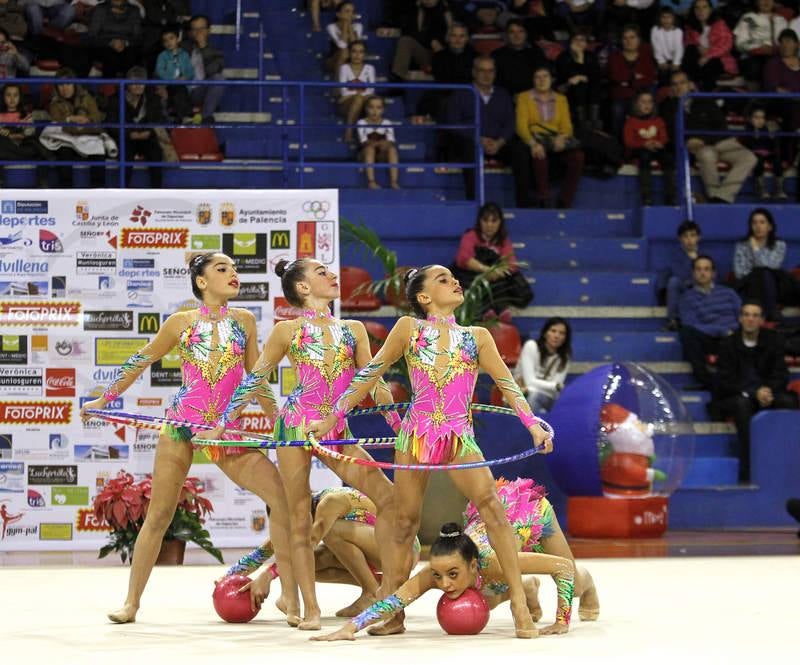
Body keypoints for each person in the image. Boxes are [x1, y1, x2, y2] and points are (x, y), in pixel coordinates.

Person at [308, 265, 554, 638]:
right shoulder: (409, 329)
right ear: (423, 298)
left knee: (492, 508)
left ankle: (519, 601)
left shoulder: (477, 337)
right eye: (442, 279)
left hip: (457, 436)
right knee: (404, 523)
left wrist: (533, 424)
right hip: (417, 436)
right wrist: (330, 420)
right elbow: (370, 373)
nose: (455, 282)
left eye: (454, 278)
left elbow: (506, 382)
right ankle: (392, 611)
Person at [79, 252, 300, 625]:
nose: (233, 273)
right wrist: (105, 397)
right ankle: (131, 603)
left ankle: (290, 599)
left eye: (234, 268)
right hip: (182, 424)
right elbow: (141, 359)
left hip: (224, 429)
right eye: (222, 269)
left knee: (280, 500)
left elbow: (256, 376)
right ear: (201, 281)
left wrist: (275, 420)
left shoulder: (243, 321)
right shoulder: (181, 323)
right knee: (159, 514)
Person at [207, 258, 401, 631]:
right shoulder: (287, 331)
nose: (331, 275)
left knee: (389, 498)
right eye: (322, 273)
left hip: (335, 429)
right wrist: (222, 423)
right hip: (295, 427)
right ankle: (310, 609)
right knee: (298, 517)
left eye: (330, 271)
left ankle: (385, 596)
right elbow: (255, 379)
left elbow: (373, 383)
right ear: (303, 287)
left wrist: (396, 424)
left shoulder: (353, 329)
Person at [311, 477, 599, 641]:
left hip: (528, 511)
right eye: (438, 575)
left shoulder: (493, 563)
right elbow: (393, 599)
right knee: (488, 597)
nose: (444, 584)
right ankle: (526, 585)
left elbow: (561, 569)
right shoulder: (438, 571)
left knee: (571, 574)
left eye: (452, 574)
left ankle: (589, 591)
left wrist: (562, 620)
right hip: (488, 528)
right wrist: (350, 628)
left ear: (472, 566)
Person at [222, 486, 422, 618]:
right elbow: (263, 552)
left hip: (403, 549)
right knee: (312, 566)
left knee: (330, 534)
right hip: (377, 549)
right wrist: (227, 579)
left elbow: (308, 544)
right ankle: (380, 585)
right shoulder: (303, 515)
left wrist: (268, 575)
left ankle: (371, 593)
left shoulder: (330, 502)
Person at [708, 301, 799, 482]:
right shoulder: (727, 344)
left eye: (755, 315)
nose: (750, 319)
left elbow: (781, 374)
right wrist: (753, 392)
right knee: (742, 406)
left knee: (789, 402)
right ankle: (748, 471)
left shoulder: (773, 341)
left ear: (762, 320)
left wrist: (767, 390)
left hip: (766, 393)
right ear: (740, 319)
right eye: (747, 315)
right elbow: (725, 381)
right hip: (737, 395)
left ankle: (790, 466)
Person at [663, 70, 757, 204]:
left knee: (749, 157)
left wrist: (704, 139)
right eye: (675, 84)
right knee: (707, 155)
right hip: (698, 146)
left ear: (690, 84)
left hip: (720, 141)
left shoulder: (705, 100)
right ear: (671, 88)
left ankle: (721, 198)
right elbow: (671, 132)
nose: (679, 87)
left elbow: (721, 125)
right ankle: (715, 196)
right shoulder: (668, 107)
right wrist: (687, 141)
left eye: (682, 83)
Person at [512, 65, 585, 209]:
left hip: (555, 138)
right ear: (533, 80)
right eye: (537, 77)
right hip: (536, 137)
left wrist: (562, 138)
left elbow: (567, 126)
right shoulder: (524, 97)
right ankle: (543, 198)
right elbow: (521, 126)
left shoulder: (561, 99)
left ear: (552, 80)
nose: (541, 80)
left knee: (578, 157)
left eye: (545, 76)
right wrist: (533, 143)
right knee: (540, 153)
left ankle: (565, 201)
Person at [444, 55, 515, 200]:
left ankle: (525, 204)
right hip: (471, 143)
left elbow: (510, 123)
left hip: (498, 144)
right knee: (470, 149)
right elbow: (452, 123)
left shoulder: (503, 94)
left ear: (495, 73)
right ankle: (473, 201)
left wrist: (499, 142)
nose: (486, 75)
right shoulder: (461, 93)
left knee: (521, 151)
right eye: (482, 71)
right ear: (474, 72)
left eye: (490, 71)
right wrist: (478, 139)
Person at [451, 201, 533, 318]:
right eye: (485, 220)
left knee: (501, 280)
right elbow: (464, 258)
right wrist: (486, 270)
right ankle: (488, 311)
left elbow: (510, 264)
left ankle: (497, 312)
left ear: (500, 222)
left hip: (495, 277)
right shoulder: (471, 236)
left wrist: (496, 272)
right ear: (480, 221)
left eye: (494, 221)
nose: (489, 225)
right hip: (472, 275)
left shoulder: (504, 242)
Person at [678, 255, 742, 391]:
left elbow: (742, 315)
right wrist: (721, 330)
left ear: (713, 273)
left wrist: (732, 330)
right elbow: (690, 324)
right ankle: (705, 380)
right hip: (707, 339)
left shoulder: (729, 293)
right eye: (699, 269)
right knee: (687, 333)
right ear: (693, 273)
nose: (702, 273)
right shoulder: (686, 297)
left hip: (733, 336)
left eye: (706, 269)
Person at [44, 67, 108, 188]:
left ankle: (98, 189)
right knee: (63, 153)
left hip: (88, 136)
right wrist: (71, 119)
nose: (65, 88)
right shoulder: (55, 103)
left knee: (99, 152)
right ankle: (66, 189)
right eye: (61, 85)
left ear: (74, 84)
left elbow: (96, 117)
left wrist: (87, 120)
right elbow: (57, 123)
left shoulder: (86, 97)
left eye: (68, 83)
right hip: (67, 139)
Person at [732, 208, 798, 322]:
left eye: (762, 222)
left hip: (774, 283)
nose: (758, 226)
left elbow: (773, 265)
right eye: (754, 223)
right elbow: (739, 273)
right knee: (760, 273)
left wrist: (755, 249)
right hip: (749, 283)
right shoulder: (741, 245)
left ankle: (771, 311)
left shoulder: (779, 245)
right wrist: (756, 266)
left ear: (770, 227)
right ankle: (771, 311)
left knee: (767, 273)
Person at [106, 66, 166, 188]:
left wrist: (149, 132)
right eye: (134, 83)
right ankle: (124, 192)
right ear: (127, 84)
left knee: (156, 153)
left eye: (141, 83)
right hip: (127, 138)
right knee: (125, 156)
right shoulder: (116, 99)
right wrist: (129, 134)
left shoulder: (153, 99)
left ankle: (157, 191)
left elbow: (159, 120)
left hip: (147, 137)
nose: (138, 86)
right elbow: (111, 123)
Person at [623, 91, 675, 206]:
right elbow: (629, 141)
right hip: (639, 149)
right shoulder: (631, 121)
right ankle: (646, 196)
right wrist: (644, 144)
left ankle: (671, 195)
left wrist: (658, 143)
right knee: (644, 156)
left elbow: (664, 138)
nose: (647, 105)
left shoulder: (658, 120)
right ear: (636, 104)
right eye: (643, 102)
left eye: (650, 102)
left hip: (656, 148)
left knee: (668, 158)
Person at [607, 24, 657, 139]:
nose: (628, 41)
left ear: (639, 40)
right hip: (621, 95)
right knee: (617, 111)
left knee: (647, 105)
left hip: (641, 94)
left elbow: (649, 78)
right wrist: (636, 78)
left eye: (632, 37)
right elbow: (616, 77)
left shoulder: (646, 56)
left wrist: (628, 82)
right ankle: (617, 143)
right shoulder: (614, 57)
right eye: (625, 38)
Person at [516, 317, 571, 413]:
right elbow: (529, 382)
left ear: (565, 338)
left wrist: (555, 387)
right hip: (521, 394)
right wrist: (555, 385)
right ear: (545, 333)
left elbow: (554, 393)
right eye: (553, 331)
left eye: (562, 333)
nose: (557, 336)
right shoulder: (531, 346)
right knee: (534, 397)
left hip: (547, 398)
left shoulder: (565, 357)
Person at [0, 83, 50, 188]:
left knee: (34, 142)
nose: (12, 99)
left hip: (21, 145)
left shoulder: (27, 116)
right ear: (3, 97)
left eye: (15, 95)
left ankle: (18, 156)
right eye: (8, 95)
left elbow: (30, 131)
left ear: (20, 97)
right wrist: (7, 134)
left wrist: (20, 135)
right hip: (6, 145)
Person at [682, 0, 737, 92]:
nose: (700, 10)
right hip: (697, 60)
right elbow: (687, 42)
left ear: (710, 10)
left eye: (704, 7)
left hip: (718, 60)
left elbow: (726, 44)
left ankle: (705, 95)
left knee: (710, 64)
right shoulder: (690, 27)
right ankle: (691, 87)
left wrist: (708, 55)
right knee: (690, 50)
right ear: (693, 10)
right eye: (697, 8)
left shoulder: (720, 24)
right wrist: (698, 48)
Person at [391, 0, 453, 81]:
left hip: (447, 53)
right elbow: (410, 32)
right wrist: (431, 40)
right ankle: (398, 81)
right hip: (425, 52)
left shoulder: (449, 8)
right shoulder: (414, 9)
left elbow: (458, 32)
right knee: (405, 41)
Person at [734, 0, 787, 90]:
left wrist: (774, 49)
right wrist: (758, 48)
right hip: (753, 56)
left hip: (776, 56)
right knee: (754, 66)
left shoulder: (781, 20)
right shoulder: (748, 18)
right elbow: (739, 43)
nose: (766, 2)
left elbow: (786, 43)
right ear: (757, 2)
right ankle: (755, 100)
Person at [660, 220, 702, 331]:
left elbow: (711, 277)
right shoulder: (675, 256)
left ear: (698, 237)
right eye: (685, 236)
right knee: (674, 281)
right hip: (683, 290)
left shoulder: (705, 255)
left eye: (693, 235)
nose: (689, 240)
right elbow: (679, 276)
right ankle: (673, 320)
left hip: (701, 291)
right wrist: (692, 260)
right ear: (680, 239)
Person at [555, 32, 602, 130]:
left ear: (586, 44)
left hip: (590, 93)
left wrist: (580, 57)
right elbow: (565, 77)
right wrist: (580, 63)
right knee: (579, 87)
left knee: (594, 87)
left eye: (582, 40)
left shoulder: (590, 56)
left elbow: (596, 75)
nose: (579, 42)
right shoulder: (563, 57)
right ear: (570, 42)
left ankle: (594, 123)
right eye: (576, 39)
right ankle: (582, 125)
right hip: (568, 89)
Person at [185, 14, 226, 124]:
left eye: (201, 29)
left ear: (209, 30)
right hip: (182, 90)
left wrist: (203, 47)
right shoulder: (182, 49)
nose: (198, 32)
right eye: (195, 29)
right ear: (190, 33)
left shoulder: (216, 52)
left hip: (201, 91)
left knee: (219, 78)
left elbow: (213, 71)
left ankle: (206, 116)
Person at [741, 103, 786, 200]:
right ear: (750, 119)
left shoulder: (767, 128)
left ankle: (779, 189)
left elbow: (772, 146)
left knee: (777, 161)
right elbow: (747, 145)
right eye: (756, 118)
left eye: (762, 117)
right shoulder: (748, 129)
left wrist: (772, 137)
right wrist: (754, 134)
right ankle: (761, 189)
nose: (760, 120)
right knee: (758, 161)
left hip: (767, 152)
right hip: (755, 153)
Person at [492, 18, 547, 97]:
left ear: (526, 34)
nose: (516, 35)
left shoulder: (537, 54)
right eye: (512, 32)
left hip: (533, 98)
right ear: (506, 35)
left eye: (521, 31)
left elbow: (543, 78)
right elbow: (495, 82)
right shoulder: (497, 55)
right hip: (506, 98)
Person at [88, 0, 143, 77]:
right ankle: (109, 87)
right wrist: (111, 42)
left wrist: (125, 43)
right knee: (110, 57)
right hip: (104, 45)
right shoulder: (100, 9)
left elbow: (138, 37)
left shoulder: (134, 10)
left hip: (128, 46)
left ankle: (127, 87)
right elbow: (92, 36)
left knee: (131, 56)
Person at [357, 95, 400, 189]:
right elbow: (363, 141)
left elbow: (391, 141)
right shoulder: (362, 123)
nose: (375, 111)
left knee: (392, 150)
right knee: (369, 149)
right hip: (365, 154)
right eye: (371, 107)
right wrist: (380, 142)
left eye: (378, 108)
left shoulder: (387, 123)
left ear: (383, 110)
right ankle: (371, 182)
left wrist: (384, 144)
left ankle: (394, 182)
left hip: (381, 154)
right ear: (366, 109)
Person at [337, 40, 375, 143]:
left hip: (364, 102)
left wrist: (354, 93)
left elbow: (371, 90)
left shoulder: (369, 68)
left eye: (361, 52)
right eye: (354, 51)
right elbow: (343, 91)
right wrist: (360, 94)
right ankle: (349, 133)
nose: (357, 55)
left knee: (370, 101)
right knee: (359, 99)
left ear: (364, 54)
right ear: (349, 53)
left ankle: (369, 136)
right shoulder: (344, 68)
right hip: (346, 104)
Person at [155, 26, 194, 122]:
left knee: (181, 89)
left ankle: (180, 114)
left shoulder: (184, 54)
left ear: (178, 39)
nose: (169, 42)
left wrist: (186, 77)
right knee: (177, 89)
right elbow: (159, 70)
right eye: (165, 40)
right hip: (168, 84)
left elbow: (190, 70)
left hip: (182, 84)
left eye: (171, 38)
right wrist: (172, 79)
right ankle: (184, 114)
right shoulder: (162, 56)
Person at [325, 1, 363, 72]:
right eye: (347, 11)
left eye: (352, 12)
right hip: (333, 59)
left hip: (352, 58)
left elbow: (355, 45)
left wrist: (350, 27)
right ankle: (339, 82)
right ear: (338, 14)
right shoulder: (331, 27)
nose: (350, 14)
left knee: (355, 53)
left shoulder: (358, 26)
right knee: (344, 52)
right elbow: (342, 45)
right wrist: (345, 25)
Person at [651, 6, 683, 86]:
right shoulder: (655, 30)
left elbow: (679, 48)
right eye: (663, 17)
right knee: (663, 73)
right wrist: (661, 61)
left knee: (675, 73)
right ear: (659, 18)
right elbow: (656, 47)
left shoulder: (678, 31)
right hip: (661, 58)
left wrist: (676, 63)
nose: (666, 20)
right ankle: (663, 91)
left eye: (669, 17)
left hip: (674, 58)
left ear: (673, 18)